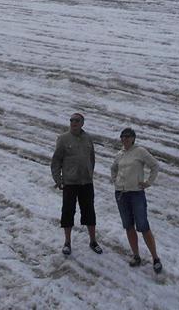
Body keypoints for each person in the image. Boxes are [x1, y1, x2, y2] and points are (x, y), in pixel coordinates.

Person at [110, 127, 162, 273]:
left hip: (136, 194)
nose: (124, 139)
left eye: (127, 136)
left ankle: (155, 258)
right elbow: (113, 168)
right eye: (122, 136)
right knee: (128, 226)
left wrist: (148, 182)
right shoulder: (119, 154)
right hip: (121, 194)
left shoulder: (140, 151)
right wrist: (116, 181)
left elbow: (155, 166)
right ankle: (136, 255)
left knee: (143, 226)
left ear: (133, 138)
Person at [50, 112, 102, 256]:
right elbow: (56, 161)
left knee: (89, 211)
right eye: (71, 120)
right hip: (70, 183)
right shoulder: (63, 139)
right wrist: (58, 179)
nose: (74, 122)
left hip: (86, 182)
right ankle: (67, 242)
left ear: (82, 123)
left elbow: (92, 158)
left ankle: (93, 241)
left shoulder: (88, 138)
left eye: (77, 120)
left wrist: (89, 173)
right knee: (68, 211)